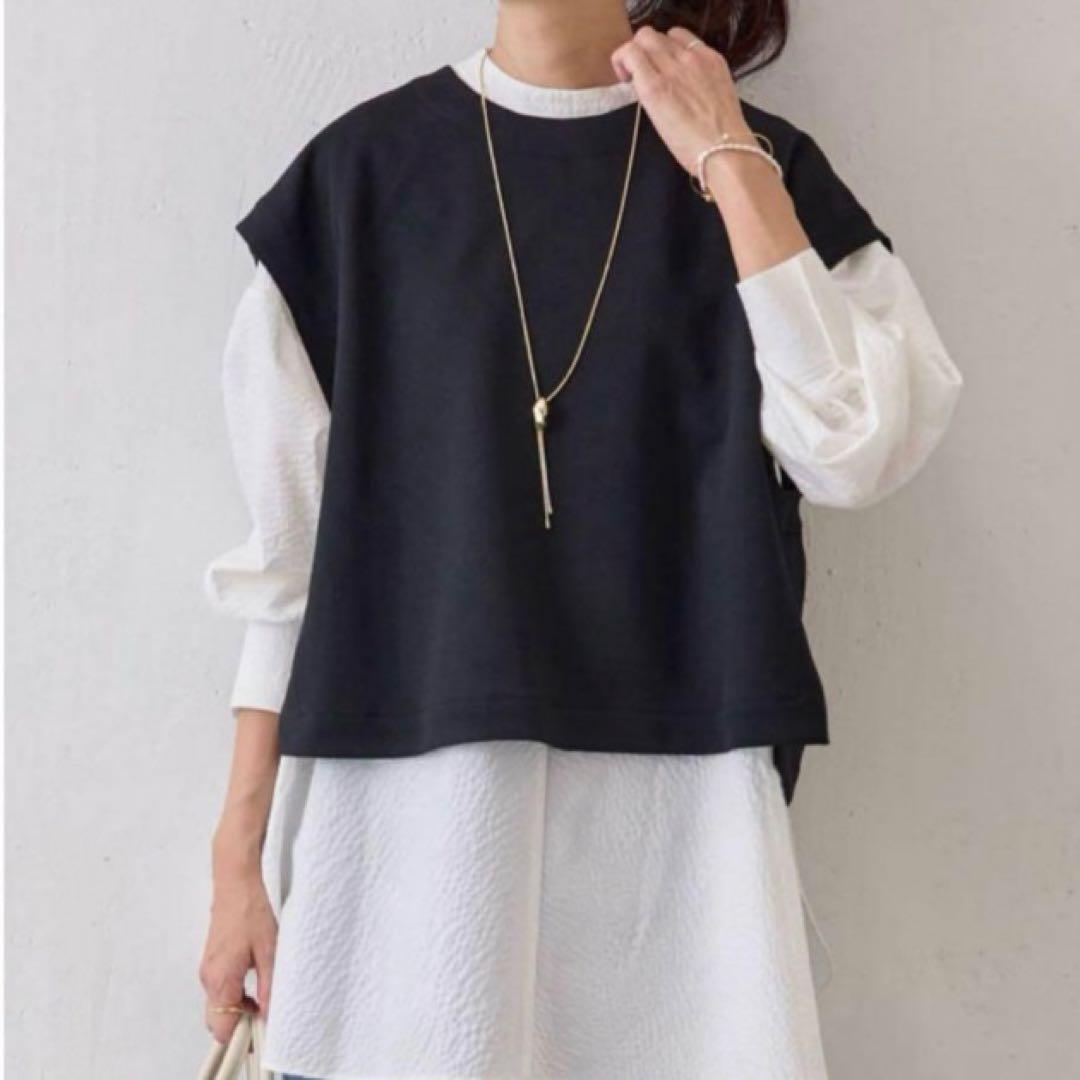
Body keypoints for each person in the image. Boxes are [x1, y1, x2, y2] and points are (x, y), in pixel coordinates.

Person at [199, 1, 963, 1076]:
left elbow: (859, 446)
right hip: (410, 823)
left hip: (681, 831)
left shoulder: (761, 167)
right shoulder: (355, 181)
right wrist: (237, 863)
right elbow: (286, 573)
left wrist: (728, 156)